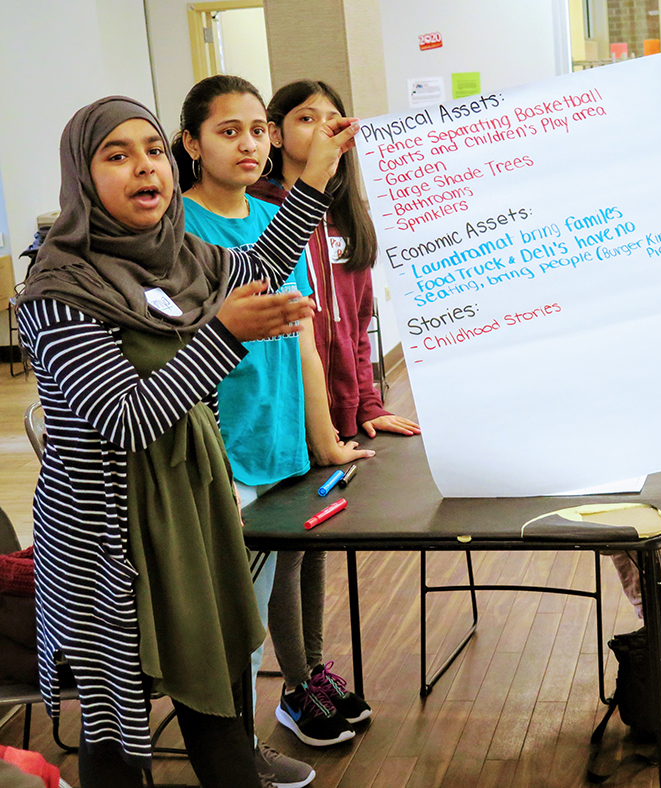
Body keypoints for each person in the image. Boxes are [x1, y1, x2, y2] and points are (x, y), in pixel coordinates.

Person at [16, 96, 355, 788]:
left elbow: (257, 261)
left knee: (217, 694)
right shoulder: (57, 288)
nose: (144, 167)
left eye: (149, 151)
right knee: (119, 732)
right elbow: (128, 417)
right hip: (107, 532)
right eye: (116, 155)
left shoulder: (179, 254)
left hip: (190, 507)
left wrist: (315, 177)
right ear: (81, 176)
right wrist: (227, 333)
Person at [173, 74, 374, 762]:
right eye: (228, 131)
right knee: (237, 617)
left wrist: (325, 444)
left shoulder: (272, 220)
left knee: (289, 575)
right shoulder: (177, 227)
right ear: (191, 143)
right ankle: (237, 749)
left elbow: (304, 345)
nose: (249, 143)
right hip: (225, 449)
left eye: (258, 129)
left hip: (285, 437)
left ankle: (291, 694)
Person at [246, 79, 421, 742]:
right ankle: (295, 686)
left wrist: (369, 403)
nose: (324, 130)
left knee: (314, 542)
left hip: (339, 415)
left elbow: (360, 325)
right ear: (278, 131)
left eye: (332, 118)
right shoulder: (261, 212)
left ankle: (313, 670)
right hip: (285, 415)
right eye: (304, 118)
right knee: (287, 549)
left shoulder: (346, 217)